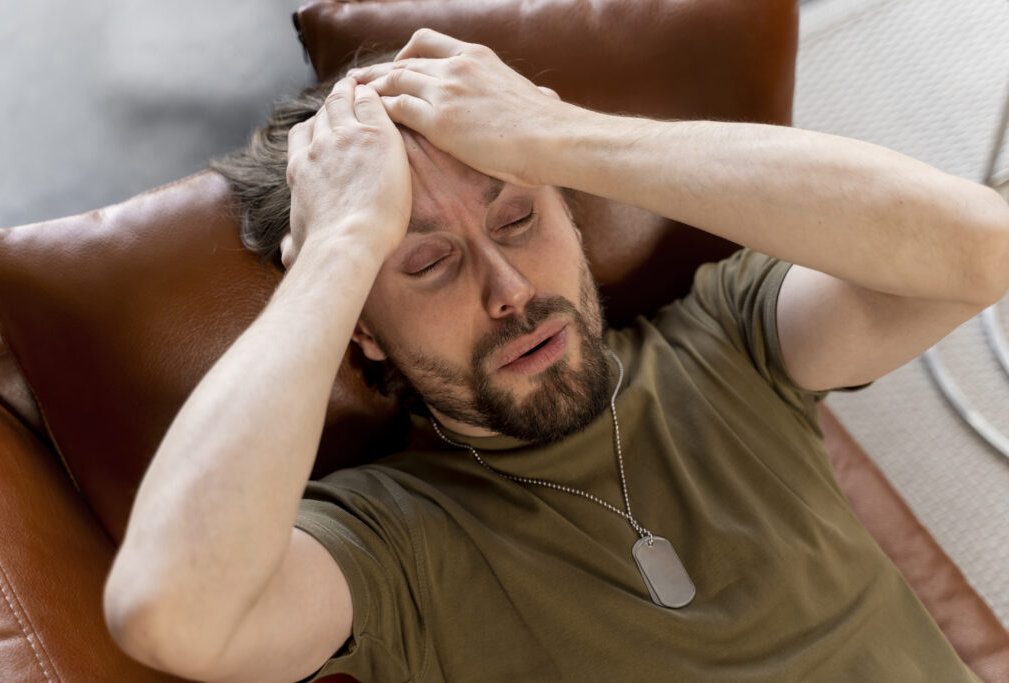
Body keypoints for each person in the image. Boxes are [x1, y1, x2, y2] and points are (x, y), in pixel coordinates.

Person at [102, 29, 1008, 683]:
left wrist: (562, 136)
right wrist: (340, 243)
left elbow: (983, 248)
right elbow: (171, 610)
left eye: (519, 216)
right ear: (361, 329)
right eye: (425, 261)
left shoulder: (728, 339)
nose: (508, 289)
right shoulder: (390, 547)